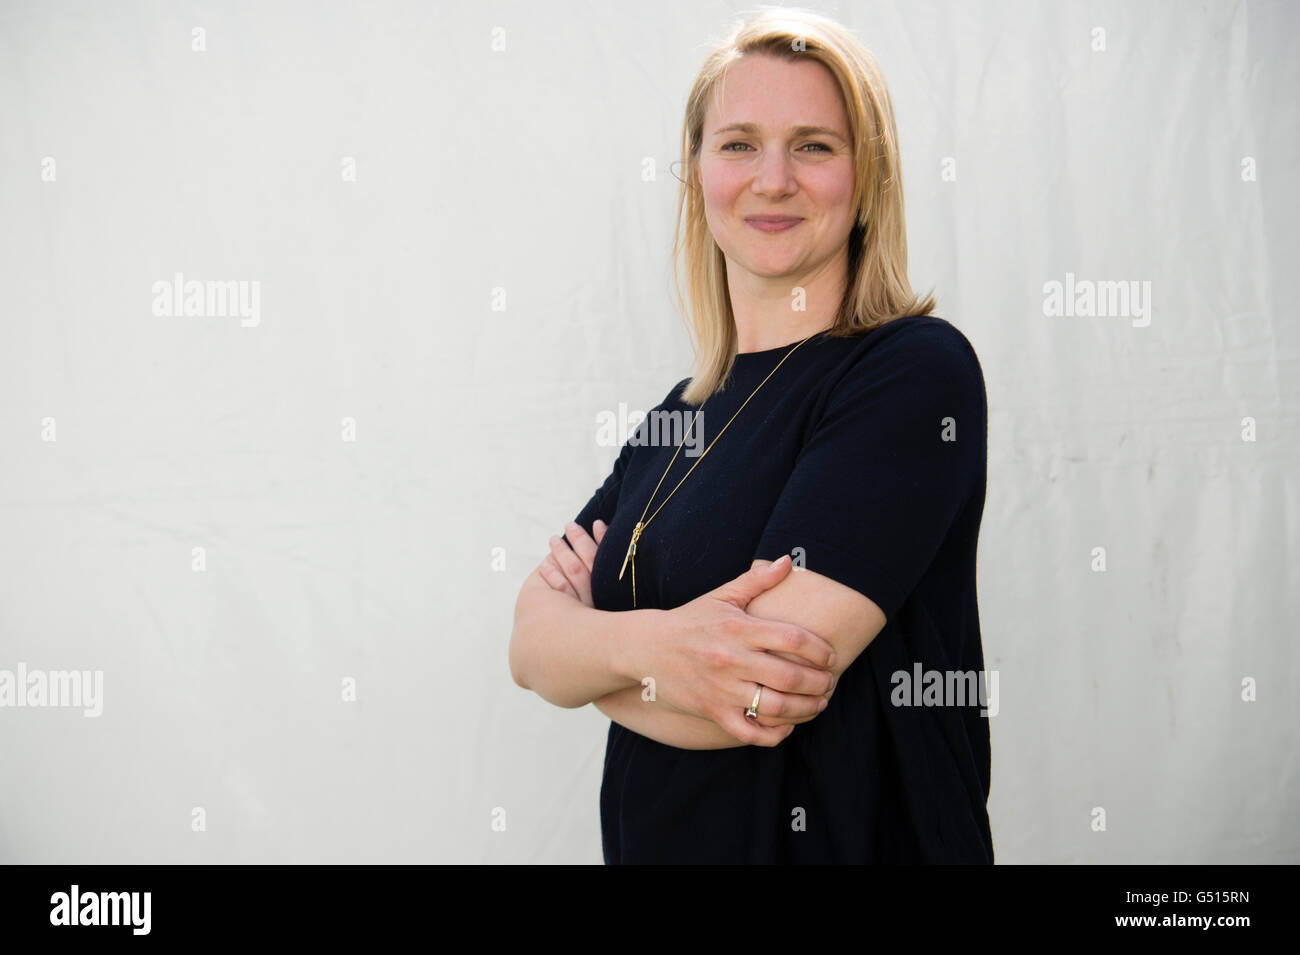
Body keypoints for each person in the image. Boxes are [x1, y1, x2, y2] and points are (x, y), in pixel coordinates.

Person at [508, 7, 993, 864]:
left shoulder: (911, 375)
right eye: (738, 144)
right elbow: (526, 646)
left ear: (867, 175)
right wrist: (661, 651)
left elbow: (764, 689)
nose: (773, 178)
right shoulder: (678, 416)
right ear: (696, 173)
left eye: (813, 144)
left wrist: (594, 665)